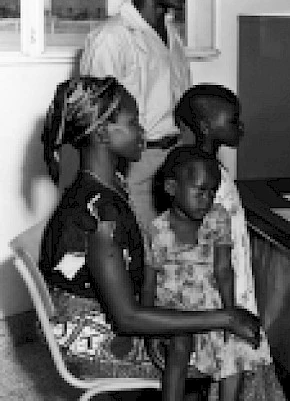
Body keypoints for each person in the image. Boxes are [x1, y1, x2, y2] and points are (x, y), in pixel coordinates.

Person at [39, 76, 261, 395]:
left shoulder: (105, 186)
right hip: (91, 342)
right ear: (102, 134)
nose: (142, 131)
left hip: (94, 317)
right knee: (224, 348)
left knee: (194, 322)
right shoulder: (101, 212)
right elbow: (127, 318)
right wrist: (225, 317)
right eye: (133, 123)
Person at [172, 84, 284, 399]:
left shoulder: (214, 171)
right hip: (221, 286)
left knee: (233, 366)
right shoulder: (202, 180)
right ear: (205, 126)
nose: (241, 126)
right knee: (232, 360)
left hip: (233, 279)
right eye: (233, 120)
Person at [80, 0, 191, 235]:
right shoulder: (110, 39)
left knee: (172, 254)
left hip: (175, 161)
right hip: (134, 166)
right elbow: (95, 123)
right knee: (139, 252)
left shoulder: (172, 36)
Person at [144, 146, 257, 401]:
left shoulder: (218, 218)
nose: (207, 200)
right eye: (200, 191)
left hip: (211, 309)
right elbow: (148, 285)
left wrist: (230, 313)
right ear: (172, 188)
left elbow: (224, 269)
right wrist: (150, 332)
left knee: (235, 346)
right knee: (180, 343)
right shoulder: (157, 230)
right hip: (173, 313)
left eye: (212, 192)